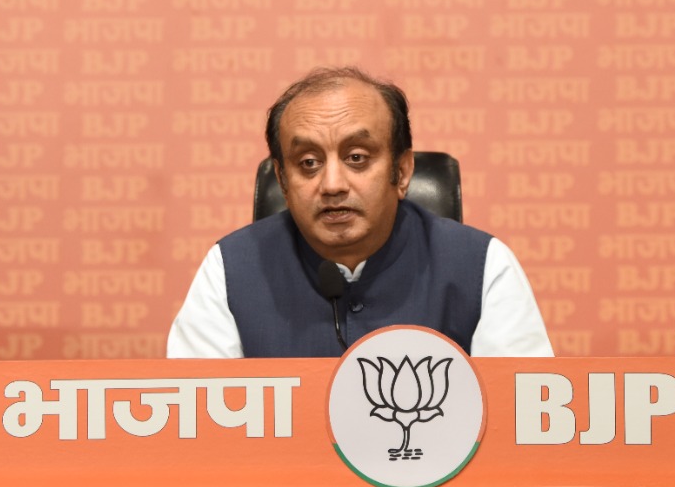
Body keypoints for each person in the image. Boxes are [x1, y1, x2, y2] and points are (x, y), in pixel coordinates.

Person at [167, 67, 553, 358]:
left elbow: (519, 426)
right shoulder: (229, 271)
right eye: (307, 163)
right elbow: (200, 436)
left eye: (357, 158)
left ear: (401, 172)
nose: (332, 184)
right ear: (282, 180)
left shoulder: (483, 266)